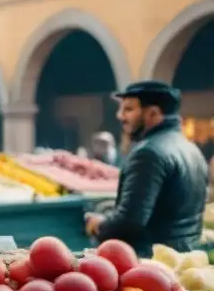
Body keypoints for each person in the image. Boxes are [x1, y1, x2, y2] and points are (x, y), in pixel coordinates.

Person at [85, 80, 208, 255]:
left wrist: (99, 224)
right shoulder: (191, 149)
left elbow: (129, 222)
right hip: (185, 260)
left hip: (150, 264)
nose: (120, 116)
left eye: (128, 109)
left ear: (153, 114)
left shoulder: (148, 153)